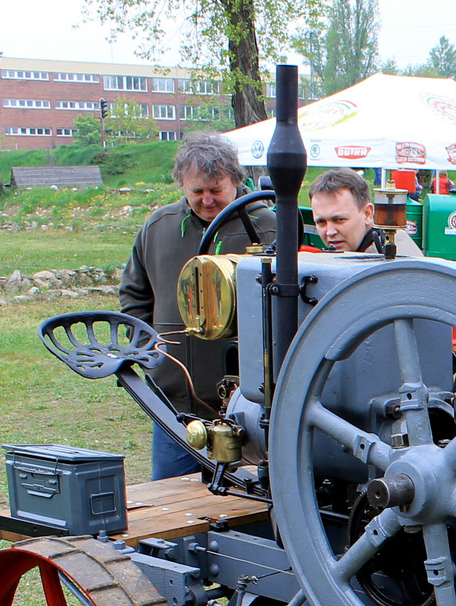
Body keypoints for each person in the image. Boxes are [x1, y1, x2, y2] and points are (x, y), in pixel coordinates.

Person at [121, 132, 277, 479]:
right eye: (196, 191)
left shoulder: (267, 228)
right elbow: (134, 296)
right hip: (173, 409)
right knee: (170, 506)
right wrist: (148, 351)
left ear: (236, 180)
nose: (206, 200)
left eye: (216, 189)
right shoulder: (159, 227)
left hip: (246, 411)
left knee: (244, 508)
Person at [309, 168, 386, 254]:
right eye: (321, 222)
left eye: (340, 219)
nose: (330, 232)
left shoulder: (391, 260)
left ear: (367, 214)